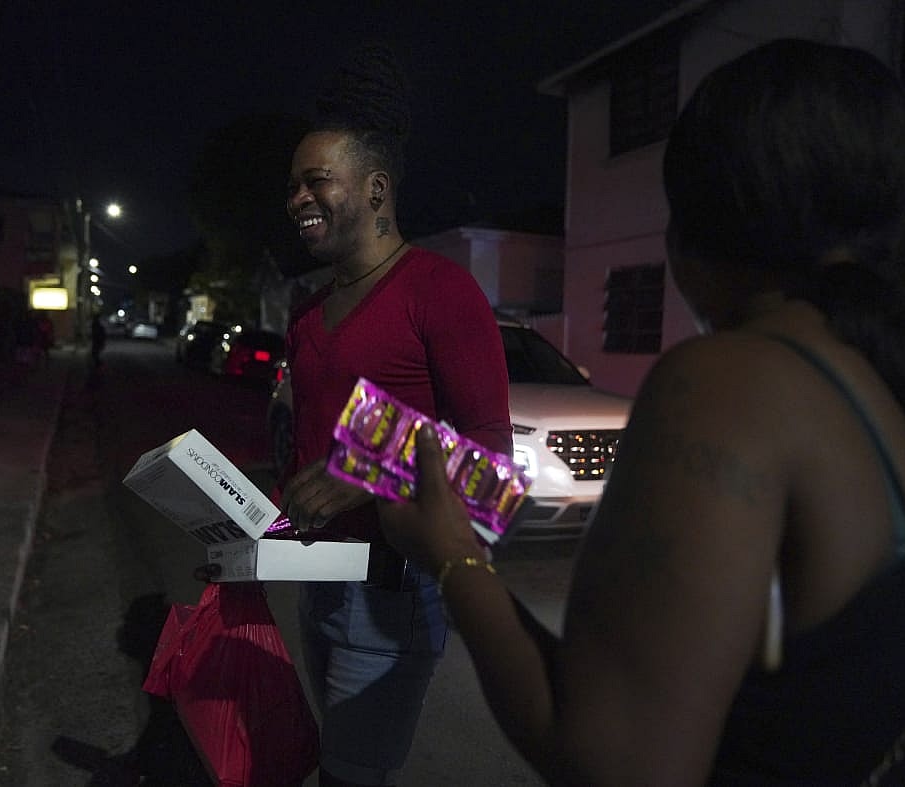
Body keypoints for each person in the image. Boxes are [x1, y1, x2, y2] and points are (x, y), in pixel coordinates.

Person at [376, 39, 905, 786]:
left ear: (691, 229)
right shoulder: (895, 382)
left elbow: (610, 758)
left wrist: (453, 556)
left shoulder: (729, 382)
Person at [279, 43, 512, 787]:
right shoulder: (306, 312)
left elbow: (494, 467)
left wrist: (365, 471)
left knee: (347, 776)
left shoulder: (442, 292)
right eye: (293, 186)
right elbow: (306, 450)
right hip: (315, 579)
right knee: (333, 763)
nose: (297, 199)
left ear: (376, 188)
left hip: (392, 591)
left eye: (316, 181)